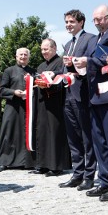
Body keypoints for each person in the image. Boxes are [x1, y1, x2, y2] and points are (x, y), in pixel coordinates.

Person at [73, 5, 108, 202]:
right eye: (94, 20)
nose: (96, 22)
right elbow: (93, 60)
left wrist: (88, 62)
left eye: (99, 19)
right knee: (99, 142)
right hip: (93, 95)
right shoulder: (94, 39)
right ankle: (104, 180)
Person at [59, 9, 97, 190]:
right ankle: (77, 173)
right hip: (67, 94)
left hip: (83, 94)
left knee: (86, 136)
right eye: (66, 22)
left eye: (71, 21)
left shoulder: (90, 39)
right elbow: (65, 70)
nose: (68, 25)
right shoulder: (67, 44)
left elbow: (91, 62)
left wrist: (73, 62)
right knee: (73, 137)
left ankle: (89, 176)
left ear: (81, 22)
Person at [30, 39, 72, 176]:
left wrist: (49, 85)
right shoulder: (41, 65)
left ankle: (56, 166)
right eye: (42, 49)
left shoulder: (60, 63)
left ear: (54, 48)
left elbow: (62, 82)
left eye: (46, 49)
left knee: (54, 134)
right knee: (41, 133)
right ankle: (42, 164)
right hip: (42, 104)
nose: (43, 52)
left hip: (55, 104)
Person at [0, 47, 36, 172]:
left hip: (28, 108)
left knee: (26, 133)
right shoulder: (9, 71)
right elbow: (1, 90)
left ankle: (26, 162)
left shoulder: (33, 72)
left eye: (25, 54)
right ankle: (4, 161)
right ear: (16, 56)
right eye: (21, 54)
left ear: (28, 57)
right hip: (12, 106)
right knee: (8, 132)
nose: (23, 56)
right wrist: (15, 92)